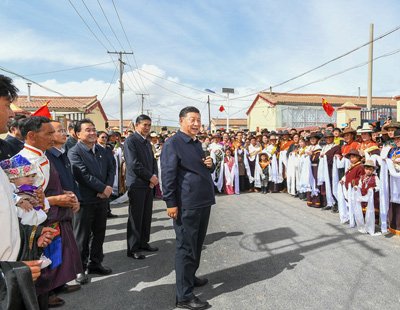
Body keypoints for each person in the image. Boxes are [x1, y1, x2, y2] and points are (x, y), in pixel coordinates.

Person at [161, 106, 214, 309]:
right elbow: (168, 175)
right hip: (186, 203)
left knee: (196, 245)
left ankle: (190, 278)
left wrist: (210, 164)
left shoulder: (196, 143)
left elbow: (200, 168)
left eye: (199, 120)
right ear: (181, 121)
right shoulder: (172, 143)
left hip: (202, 201)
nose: (196, 124)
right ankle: (184, 296)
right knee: (185, 248)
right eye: (192, 119)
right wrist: (170, 203)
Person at [68, 119, 115, 283]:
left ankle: (95, 263)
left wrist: (107, 187)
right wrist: (102, 188)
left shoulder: (101, 150)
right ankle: (79, 269)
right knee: (81, 236)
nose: (93, 133)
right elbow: (81, 174)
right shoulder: (74, 152)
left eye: (94, 129)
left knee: (99, 233)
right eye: (88, 130)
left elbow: (111, 168)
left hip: (102, 200)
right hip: (85, 199)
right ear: (78, 134)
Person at [123, 115, 159, 260]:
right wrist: (150, 177)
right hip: (137, 183)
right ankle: (132, 248)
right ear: (136, 125)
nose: (147, 128)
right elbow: (133, 164)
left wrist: (154, 177)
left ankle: (143, 242)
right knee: (135, 217)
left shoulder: (146, 142)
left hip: (148, 183)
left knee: (146, 215)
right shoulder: (131, 141)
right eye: (144, 125)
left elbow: (153, 161)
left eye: (149, 125)